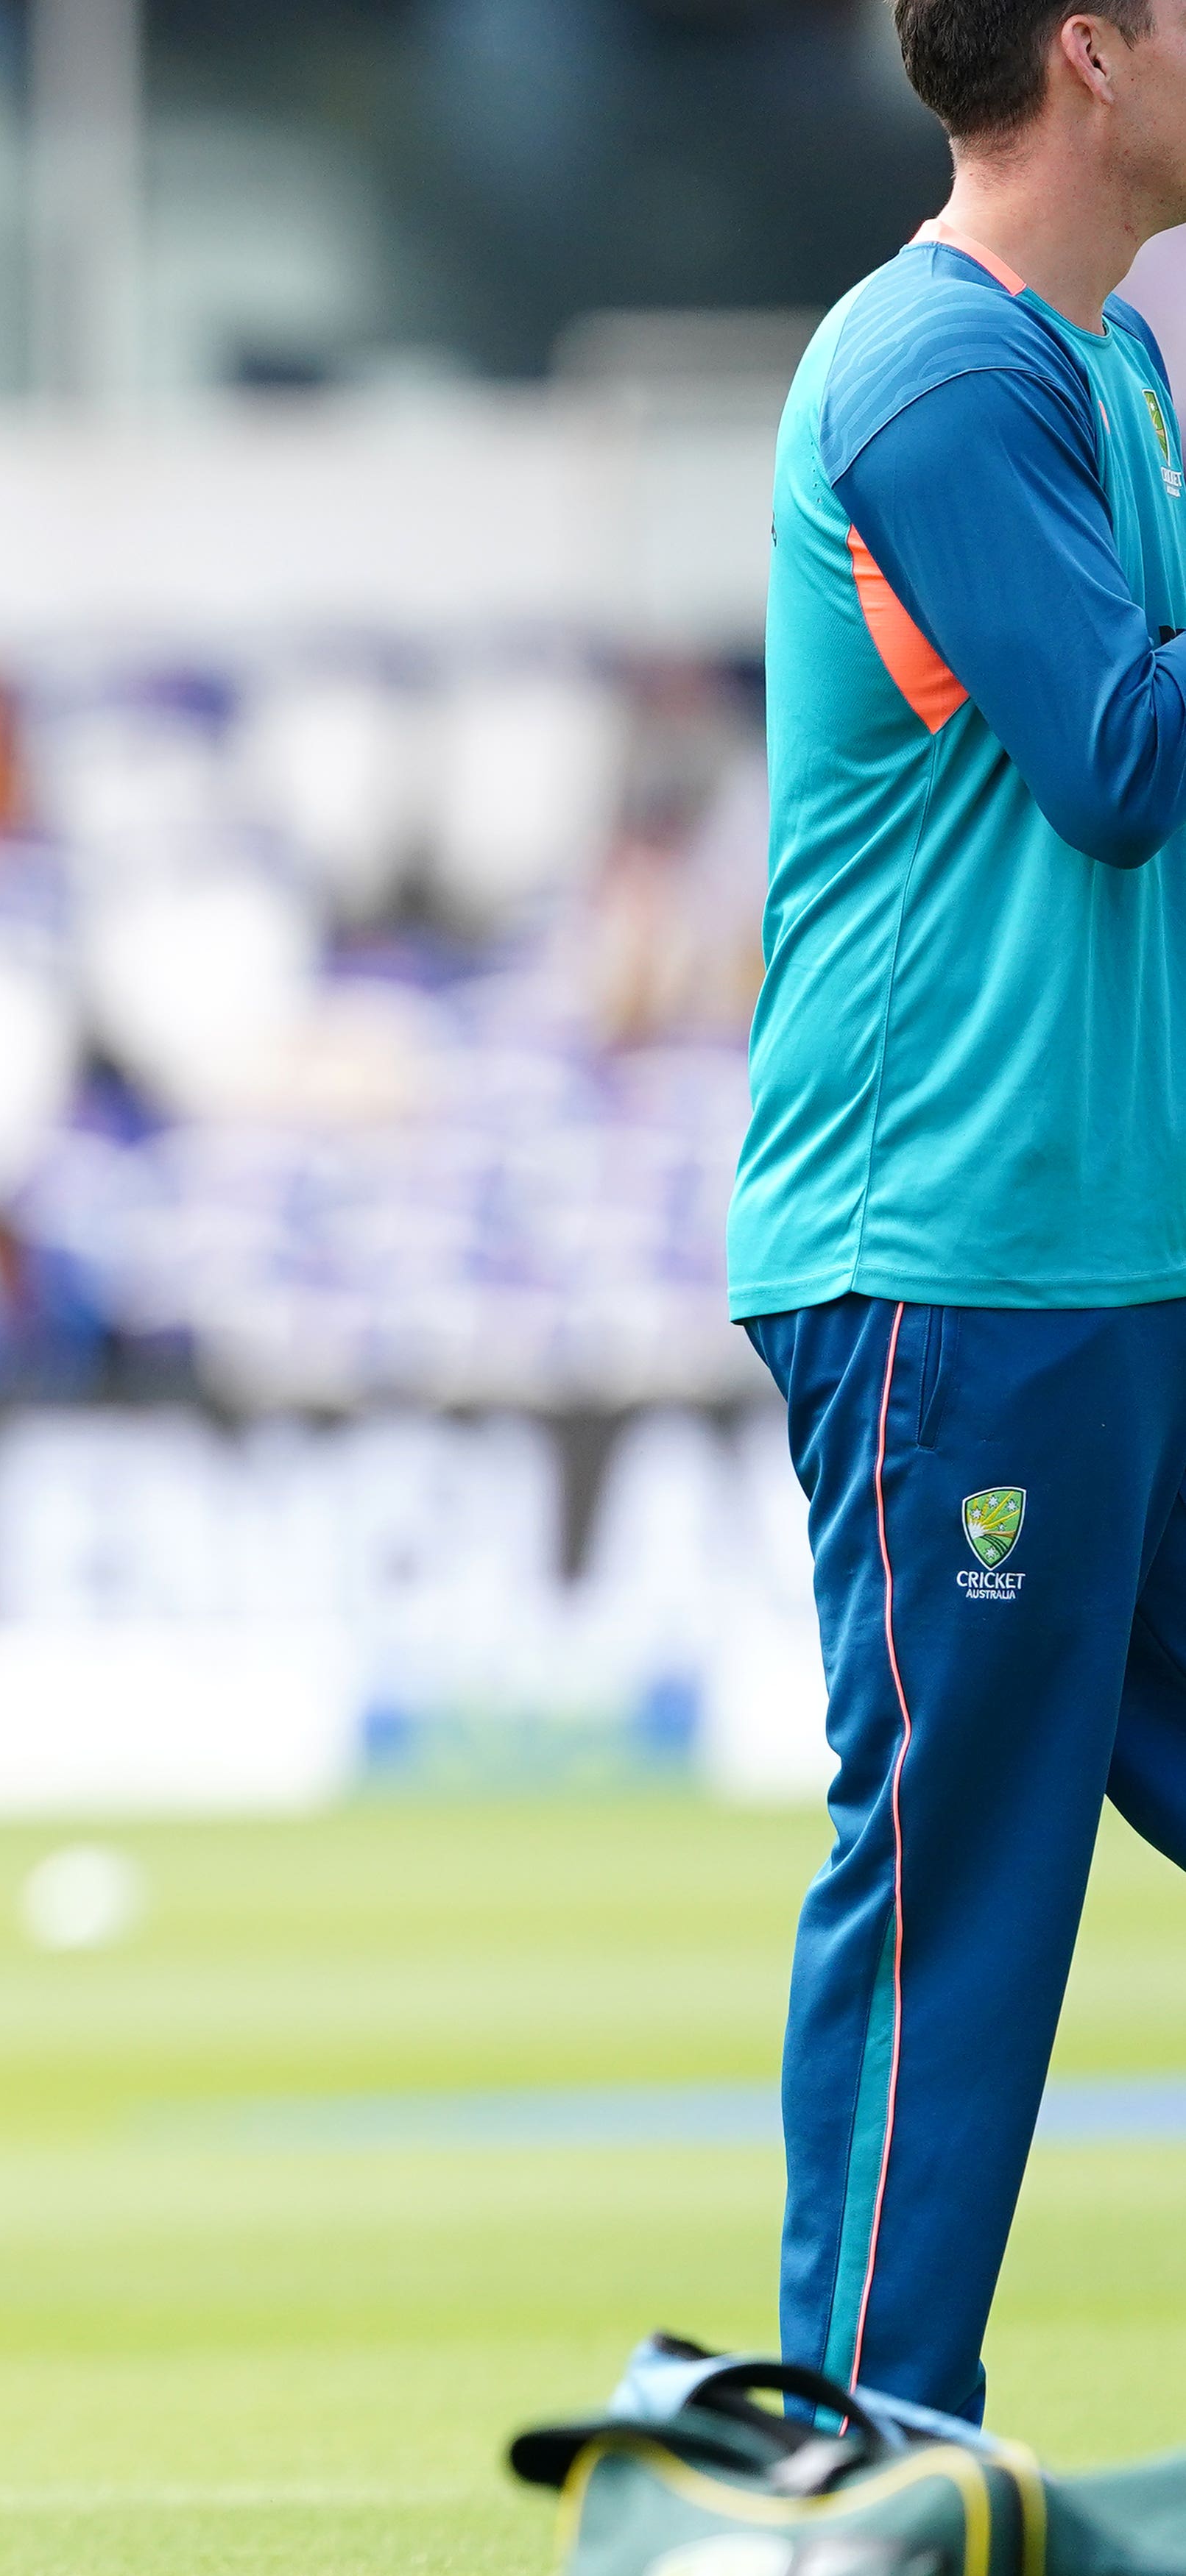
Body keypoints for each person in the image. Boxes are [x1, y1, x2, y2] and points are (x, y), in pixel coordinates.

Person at [731, 0, 1186, 2424]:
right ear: (1092, 54)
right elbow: (1115, 760)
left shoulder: (1100, 369)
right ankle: (849, 2521)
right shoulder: (934, 377)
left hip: (1109, 1255)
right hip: (951, 1264)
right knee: (958, 1908)